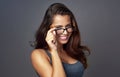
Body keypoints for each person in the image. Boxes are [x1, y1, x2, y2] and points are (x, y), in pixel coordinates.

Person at [31, 3, 90, 77]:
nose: (65, 32)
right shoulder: (38, 54)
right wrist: (54, 50)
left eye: (68, 26)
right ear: (48, 29)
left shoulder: (71, 49)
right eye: (59, 28)